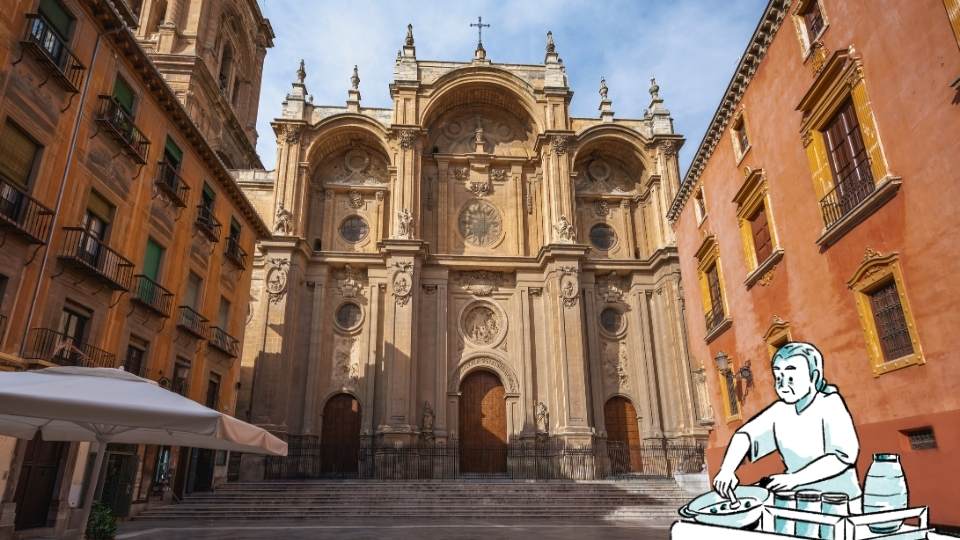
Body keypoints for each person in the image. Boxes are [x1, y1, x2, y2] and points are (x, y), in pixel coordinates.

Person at [713, 342, 862, 511]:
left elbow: (842, 457)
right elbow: (745, 435)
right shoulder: (780, 410)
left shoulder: (830, 404)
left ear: (813, 376)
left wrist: (794, 479)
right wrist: (727, 469)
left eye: (791, 377)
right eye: (778, 377)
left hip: (839, 503)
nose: (783, 384)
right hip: (798, 502)